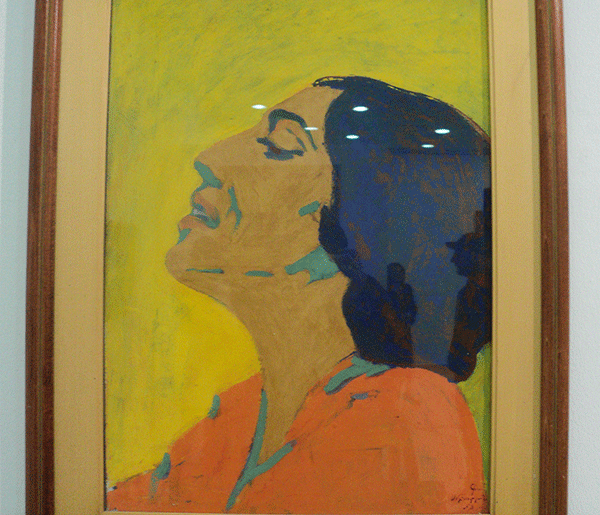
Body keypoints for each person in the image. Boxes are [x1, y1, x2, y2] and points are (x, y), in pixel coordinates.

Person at [107, 76, 490, 513]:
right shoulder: (240, 417)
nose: (209, 157)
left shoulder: (407, 421)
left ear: (353, 234)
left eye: (279, 146)